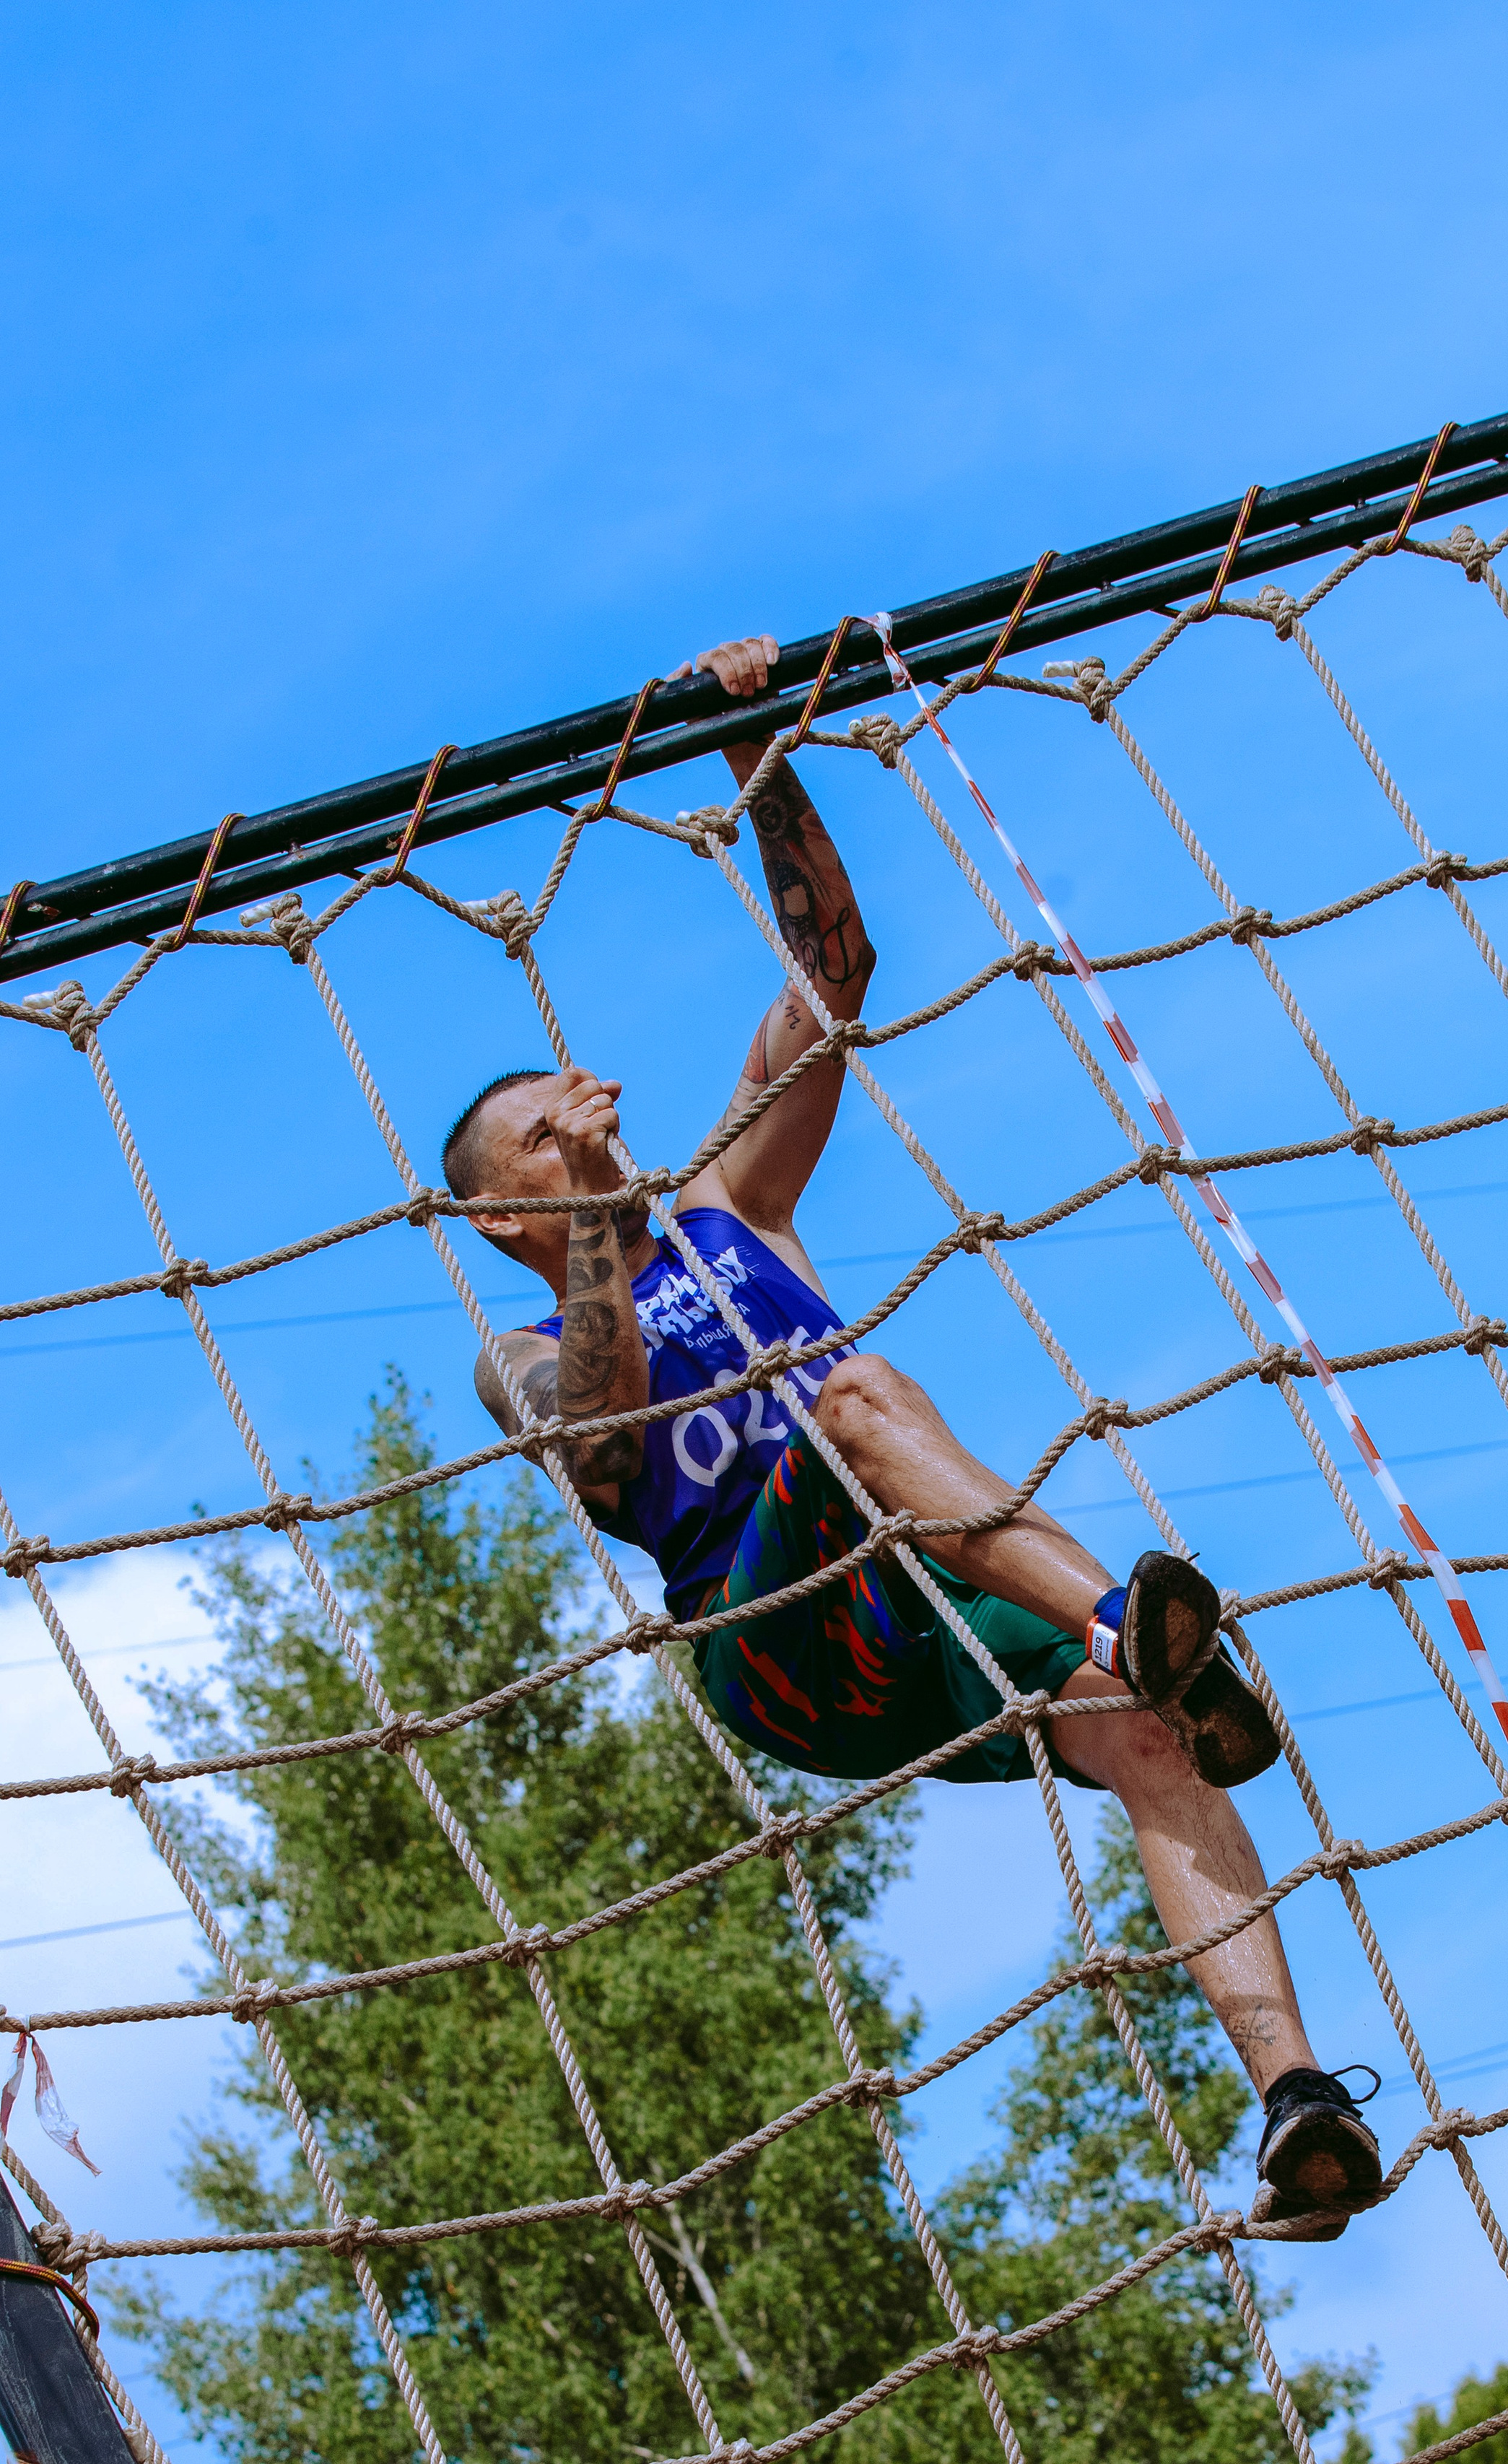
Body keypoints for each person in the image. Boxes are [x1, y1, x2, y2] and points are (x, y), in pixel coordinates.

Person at [445, 633, 1382, 2237]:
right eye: (546, 1130)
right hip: (779, 1646)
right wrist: (604, 1224)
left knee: (1137, 1736)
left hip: (923, 1594)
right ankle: (1123, 1622)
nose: (583, 1117)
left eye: (576, 1098)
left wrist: (757, 754)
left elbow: (832, 975)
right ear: (499, 1209)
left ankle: (1294, 2102)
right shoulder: (521, 1349)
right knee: (854, 1398)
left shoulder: (733, 1199)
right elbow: (602, 1448)